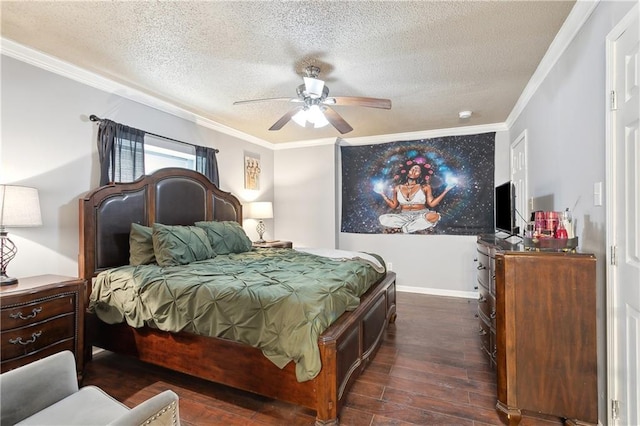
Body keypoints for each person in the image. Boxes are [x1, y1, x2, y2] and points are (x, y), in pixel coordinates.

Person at [375, 162, 454, 233]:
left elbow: (432, 204)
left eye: (417, 170)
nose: (414, 171)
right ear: (407, 172)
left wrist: (446, 191)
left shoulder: (425, 187)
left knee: (435, 216)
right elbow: (394, 205)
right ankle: (414, 226)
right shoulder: (397, 188)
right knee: (383, 218)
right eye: (412, 169)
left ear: (420, 174)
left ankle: (404, 229)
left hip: (421, 215)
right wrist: (382, 194)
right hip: (404, 216)